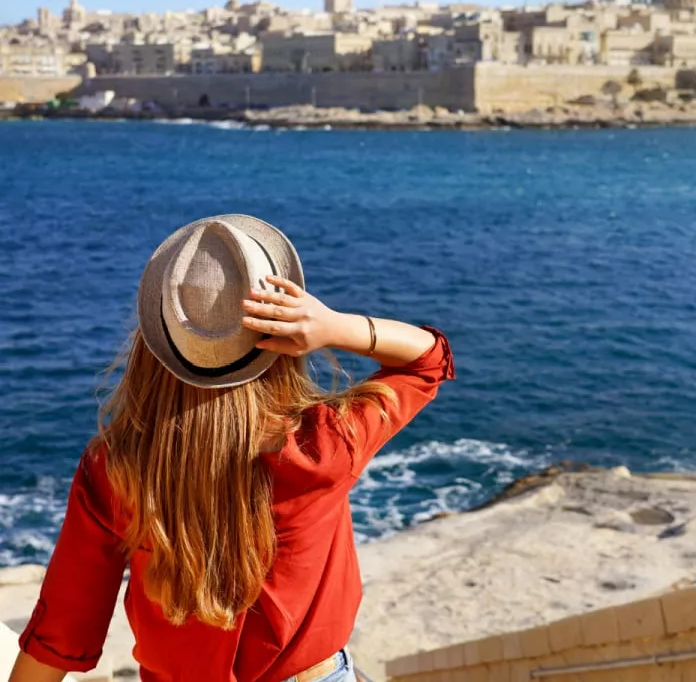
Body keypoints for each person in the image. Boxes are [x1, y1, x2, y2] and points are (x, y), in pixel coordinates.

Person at [10, 215, 454, 682]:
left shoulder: (114, 467)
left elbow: (63, 630)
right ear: (282, 334)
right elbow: (429, 359)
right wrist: (335, 326)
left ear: (154, 340)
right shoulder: (325, 445)